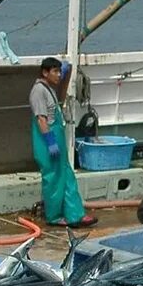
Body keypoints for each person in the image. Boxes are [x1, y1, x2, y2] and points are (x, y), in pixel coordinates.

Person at [29, 57, 97, 228]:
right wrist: (50, 142)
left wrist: (65, 69)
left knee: (66, 176)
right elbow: (41, 120)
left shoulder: (49, 88)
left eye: (60, 71)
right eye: (55, 71)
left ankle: (75, 214)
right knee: (53, 178)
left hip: (57, 138)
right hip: (47, 141)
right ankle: (54, 216)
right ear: (45, 73)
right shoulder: (38, 91)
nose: (59, 75)